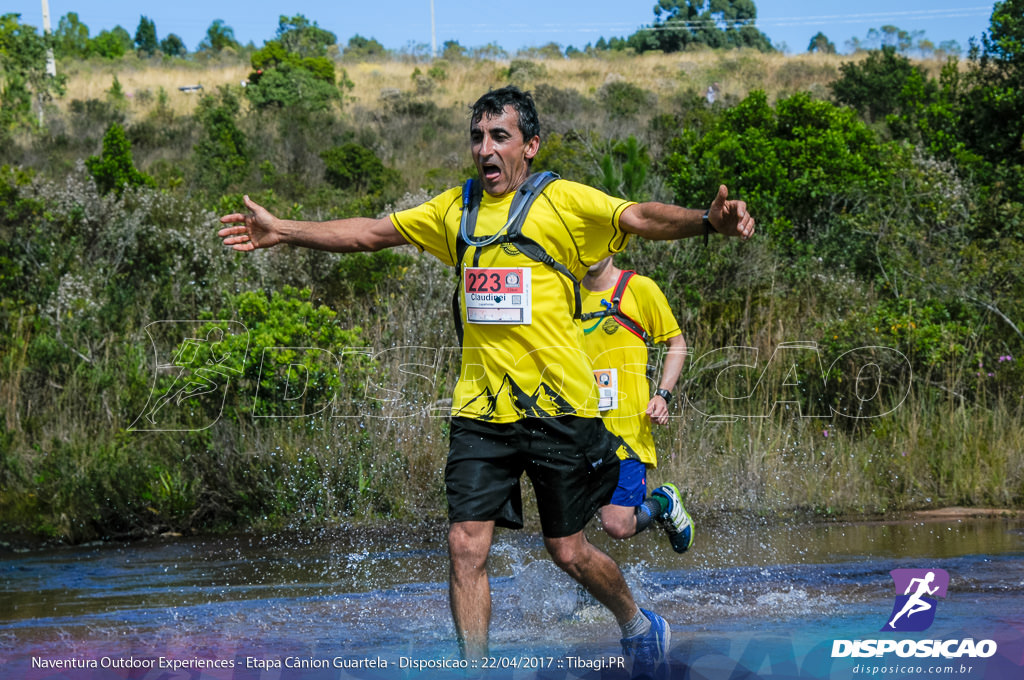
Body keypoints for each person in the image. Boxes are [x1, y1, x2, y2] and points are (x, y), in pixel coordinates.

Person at [218, 86, 754, 671]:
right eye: (477, 137)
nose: (485, 149)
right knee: (465, 546)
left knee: (569, 551)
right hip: (482, 411)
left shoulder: (564, 202)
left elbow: (639, 217)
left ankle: (637, 622)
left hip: (561, 409)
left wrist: (706, 221)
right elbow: (370, 234)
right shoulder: (455, 209)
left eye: (499, 136)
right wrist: (286, 231)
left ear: (530, 145)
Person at [580, 256, 693, 552]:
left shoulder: (638, 288)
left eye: (598, 242)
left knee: (617, 524)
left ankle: (662, 503)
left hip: (625, 433)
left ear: (613, 244)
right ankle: (583, 596)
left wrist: (662, 395)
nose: (591, 251)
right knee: (569, 528)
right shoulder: (565, 292)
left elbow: (677, 344)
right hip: (576, 429)